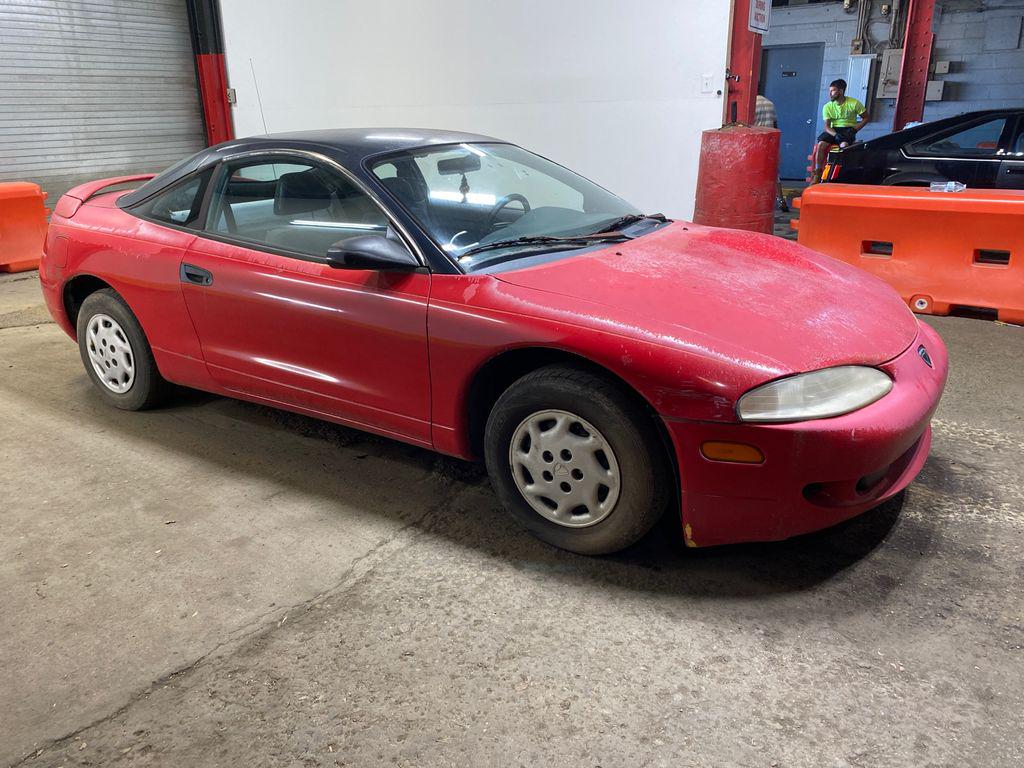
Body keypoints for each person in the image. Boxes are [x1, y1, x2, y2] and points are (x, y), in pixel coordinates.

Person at [812, 79, 869, 183]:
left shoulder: (854, 103)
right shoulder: (827, 106)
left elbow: (866, 118)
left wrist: (854, 130)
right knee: (820, 145)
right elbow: (827, 127)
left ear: (841, 91)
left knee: (843, 146)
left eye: (833, 91)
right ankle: (817, 173)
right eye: (830, 91)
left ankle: (840, 175)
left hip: (848, 129)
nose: (830, 93)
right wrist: (835, 135)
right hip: (833, 130)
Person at [754, 94, 789, 212]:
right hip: (770, 142)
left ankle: (758, 202)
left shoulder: (751, 104)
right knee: (774, 173)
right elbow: (775, 126)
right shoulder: (770, 103)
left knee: (756, 172)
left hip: (756, 142)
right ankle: (781, 200)